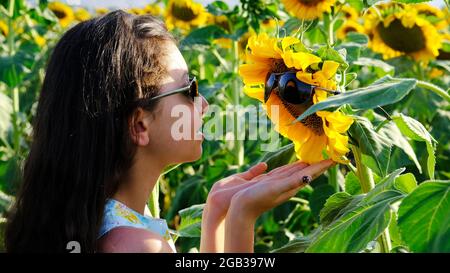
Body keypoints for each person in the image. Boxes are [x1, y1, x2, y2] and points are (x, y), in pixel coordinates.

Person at [5, 10, 334, 253]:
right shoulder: (137, 245)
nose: (204, 103)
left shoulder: (105, 217)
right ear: (140, 124)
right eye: (189, 89)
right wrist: (241, 218)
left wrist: (216, 216)